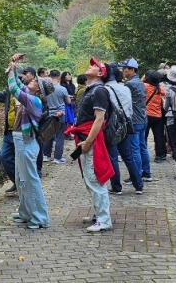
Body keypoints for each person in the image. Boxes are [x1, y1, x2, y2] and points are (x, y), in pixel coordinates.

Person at [65, 57, 115, 232]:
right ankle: (99, 213)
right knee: (89, 178)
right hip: (84, 137)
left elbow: (99, 119)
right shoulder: (90, 90)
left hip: (90, 139)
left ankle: (104, 219)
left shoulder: (99, 91)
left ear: (101, 73)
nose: (90, 66)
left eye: (95, 66)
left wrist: (87, 142)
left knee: (95, 178)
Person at [7, 53, 52, 230]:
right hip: (21, 141)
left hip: (26, 143)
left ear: (38, 89)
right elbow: (18, 84)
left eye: (34, 82)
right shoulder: (30, 94)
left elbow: (14, 88)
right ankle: (26, 213)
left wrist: (12, 70)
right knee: (21, 180)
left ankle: (40, 218)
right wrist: (13, 64)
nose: (30, 81)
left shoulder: (34, 101)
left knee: (31, 181)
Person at [0, 66, 37, 198]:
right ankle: (17, 183)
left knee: (24, 162)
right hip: (10, 132)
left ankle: (26, 188)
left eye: (22, 77)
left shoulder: (29, 95)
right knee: (5, 157)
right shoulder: (10, 92)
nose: (20, 79)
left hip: (23, 133)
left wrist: (12, 71)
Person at [105, 63, 143, 195]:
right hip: (126, 124)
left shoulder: (105, 89)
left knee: (113, 157)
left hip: (112, 127)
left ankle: (116, 187)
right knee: (128, 156)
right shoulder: (125, 88)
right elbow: (130, 109)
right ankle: (138, 185)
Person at [122, 58, 153, 181]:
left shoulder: (130, 84)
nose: (123, 70)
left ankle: (136, 175)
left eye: (125, 68)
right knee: (142, 147)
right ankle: (146, 173)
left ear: (132, 69)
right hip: (143, 118)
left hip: (134, 120)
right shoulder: (141, 83)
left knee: (134, 148)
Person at [42, 70, 71, 164]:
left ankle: (46, 155)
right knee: (59, 137)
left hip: (49, 114)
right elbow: (68, 102)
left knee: (48, 136)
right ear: (59, 77)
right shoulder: (62, 89)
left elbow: (44, 100)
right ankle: (57, 158)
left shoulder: (46, 89)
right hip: (60, 114)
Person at [143, 69, 166, 163]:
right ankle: (160, 155)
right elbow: (164, 94)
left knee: (144, 135)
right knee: (159, 136)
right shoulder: (159, 88)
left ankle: (142, 153)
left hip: (146, 115)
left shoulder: (144, 86)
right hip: (157, 115)